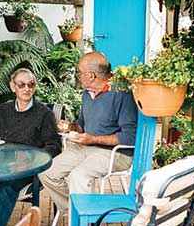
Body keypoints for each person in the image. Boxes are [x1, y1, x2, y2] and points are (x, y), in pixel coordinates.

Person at [39, 51, 137, 215]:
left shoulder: (122, 94)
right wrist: (70, 127)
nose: (77, 76)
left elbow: (129, 137)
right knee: (47, 172)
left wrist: (93, 139)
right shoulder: (87, 94)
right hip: (85, 148)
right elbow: (81, 126)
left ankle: (81, 222)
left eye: (79, 72)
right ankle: (78, 213)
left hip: (115, 153)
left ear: (91, 75)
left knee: (78, 176)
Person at [0, 67, 62, 226]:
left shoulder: (44, 114)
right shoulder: (3, 110)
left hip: (25, 170)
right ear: (12, 87)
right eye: (21, 84)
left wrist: (33, 160)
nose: (27, 88)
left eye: (31, 84)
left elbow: (54, 145)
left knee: (5, 191)